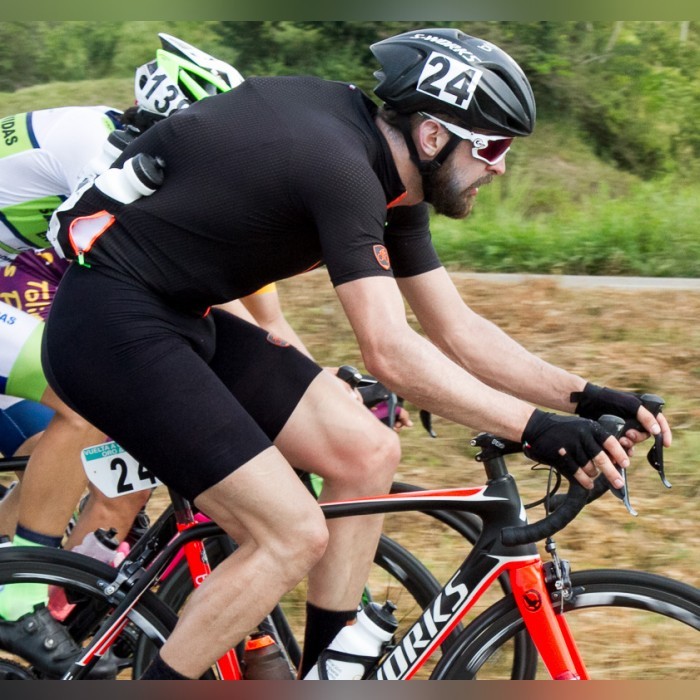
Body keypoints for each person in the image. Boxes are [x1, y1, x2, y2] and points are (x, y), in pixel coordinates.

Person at [42, 27, 671, 681]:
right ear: (434, 135)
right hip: (110, 329)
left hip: (179, 318)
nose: (501, 167)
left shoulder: (393, 178)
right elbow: (389, 351)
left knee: (367, 452)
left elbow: (457, 329)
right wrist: (535, 429)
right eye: (492, 146)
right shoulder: (340, 167)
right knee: (290, 533)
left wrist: (586, 396)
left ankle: (327, 676)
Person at [0, 34, 247, 679]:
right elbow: (125, 272)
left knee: (65, 439)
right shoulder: (98, 152)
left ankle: (13, 569)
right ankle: (17, 602)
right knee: (80, 396)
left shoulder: (107, 137)